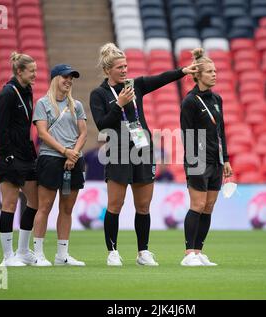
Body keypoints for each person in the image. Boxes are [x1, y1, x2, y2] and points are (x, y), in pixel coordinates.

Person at [89, 43, 200, 266]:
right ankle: (112, 252)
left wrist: (182, 72)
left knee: (143, 206)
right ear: (107, 70)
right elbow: (102, 126)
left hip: (142, 149)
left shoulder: (134, 85)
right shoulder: (98, 94)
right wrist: (118, 105)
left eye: (126, 66)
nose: (124, 70)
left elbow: (158, 79)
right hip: (118, 151)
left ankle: (143, 252)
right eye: (119, 67)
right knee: (115, 205)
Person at [180, 48, 233, 267]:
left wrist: (226, 159)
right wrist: (194, 162)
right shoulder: (190, 101)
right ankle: (188, 253)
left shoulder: (217, 99)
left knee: (209, 206)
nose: (214, 74)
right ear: (198, 75)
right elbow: (186, 134)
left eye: (215, 71)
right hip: (197, 160)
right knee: (197, 204)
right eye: (210, 71)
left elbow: (221, 131)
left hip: (216, 160)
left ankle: (199, 251)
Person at [31, 64, 88, 266]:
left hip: (73, 160)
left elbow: (83, 132)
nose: (69, 81)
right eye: (65, 77)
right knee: (44, 206)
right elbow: (43, 133)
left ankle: (62, 255)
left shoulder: (77, 105)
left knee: (67, 208)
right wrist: (65, 151)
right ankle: (37, 253)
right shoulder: (43, 103)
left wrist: (73, 155)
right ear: (55, 78)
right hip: (50, 158)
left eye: (71, 78)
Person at [0, 52, 38, 267]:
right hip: (8, 156)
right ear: (19, 71)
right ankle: (7, 257)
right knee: (9, 204)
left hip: (26, 155)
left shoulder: (28, 90)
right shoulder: (7, 94)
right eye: (32, 72)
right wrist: (7, 156)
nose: (35, 75)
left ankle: (23, 251)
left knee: (35, 201)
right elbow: (1, 130)